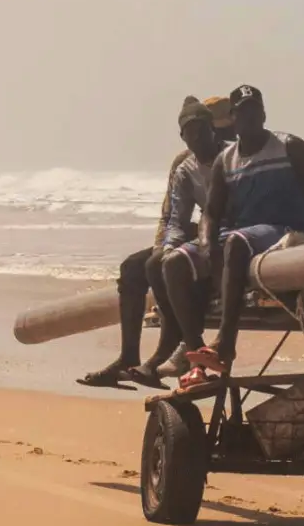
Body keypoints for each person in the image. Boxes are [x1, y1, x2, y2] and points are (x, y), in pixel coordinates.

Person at [164, 86, 304, 382]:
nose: (250, 118)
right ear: (232, 118)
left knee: (236, 242)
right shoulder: (226, 160)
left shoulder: (290, 147)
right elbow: (211, 213)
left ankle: (225, 343)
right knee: (173, 263)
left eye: (255, 111)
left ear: (264, 114)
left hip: (287, 230)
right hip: (245, 232)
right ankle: (196, 355)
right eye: (243, 113)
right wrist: (206, 245)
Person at [78, 96, 220, 388]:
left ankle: (169, 352)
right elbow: (171, 216)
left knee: (166, 267)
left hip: (220, 234)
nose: (197, 138)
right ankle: (129, 357)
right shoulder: (184, 164)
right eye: (190, 132)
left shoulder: (233, 156)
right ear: (183, 134)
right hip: (191, 234)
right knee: (135, 267)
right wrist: (162, 250)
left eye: (203, 130)